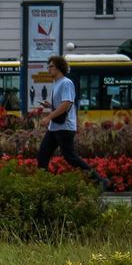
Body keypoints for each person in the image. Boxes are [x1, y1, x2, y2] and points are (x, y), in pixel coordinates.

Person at [33, 55, 110, 190]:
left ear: (58, 68)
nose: (48, 69)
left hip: (64, 127)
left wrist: (49, 117)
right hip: (56, 127)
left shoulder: (66, 82)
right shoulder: (56, 83)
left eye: (50, 66)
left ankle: (100, 181)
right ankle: (42, 185)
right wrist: (50, 105)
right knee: (43, 155)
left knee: (70, 157)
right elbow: (61, 104)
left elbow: (67, 104)